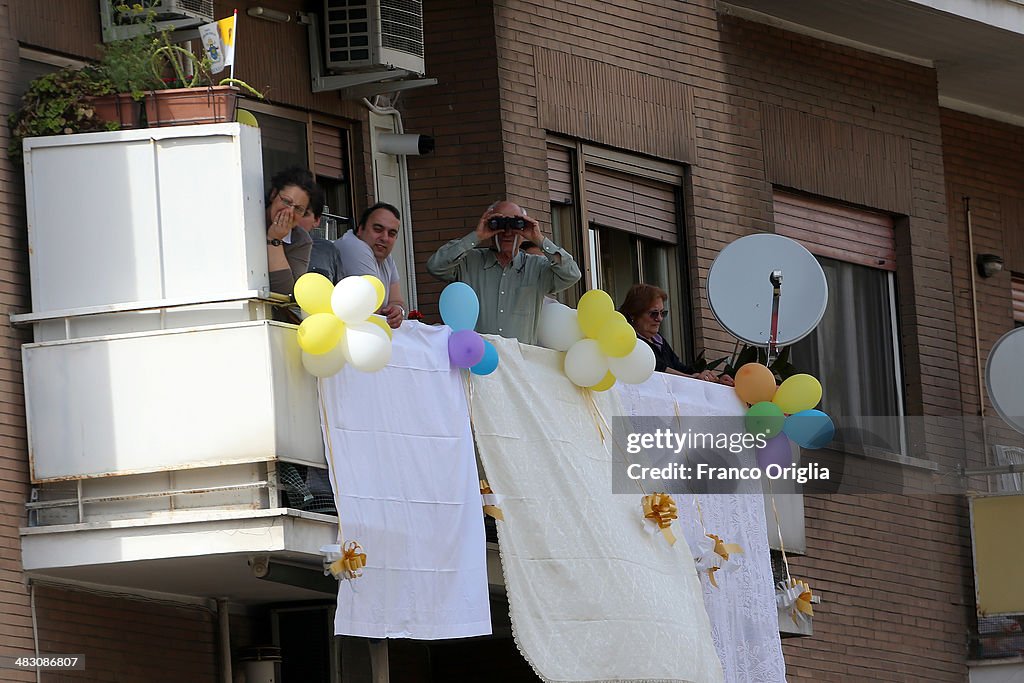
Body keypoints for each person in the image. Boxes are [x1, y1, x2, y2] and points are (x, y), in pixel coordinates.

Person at [426, 200, 581, 344]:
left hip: (518, 367)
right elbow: (435, 266)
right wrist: (477, 236)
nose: (507, 232)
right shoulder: (469, 262)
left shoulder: (537, 267)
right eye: (499, 225)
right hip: (476, 364)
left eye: (514, 226)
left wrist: (539, 239)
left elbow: (572, 274)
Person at [619, 283, 734, 385]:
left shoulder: (659, 341)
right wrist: (694, 379)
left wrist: (715, 380)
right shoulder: (631, 342)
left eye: (662, 313)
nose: (659, 319)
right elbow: (658, 368)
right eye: (653, 314)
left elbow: (680, 368)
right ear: (634, 315)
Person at [335, 202, 406, 329]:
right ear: (360, 230)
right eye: (378, 229)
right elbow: (372, 307)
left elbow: (397, 300)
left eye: (391, 233)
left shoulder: (386, 257)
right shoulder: (354, 246)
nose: (384, 238)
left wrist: (397, 310)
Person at [266, 167, 318, 296]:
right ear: (274, 194)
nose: (289, 212)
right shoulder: (248, 221)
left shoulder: (301, 239)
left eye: (298, 209)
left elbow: (286, 292)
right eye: (286, 201)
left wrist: (274, 240)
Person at [299, 186, 344, 284]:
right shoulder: (268, 245)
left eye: (303, 214)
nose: (294, 216)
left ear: (316, 220)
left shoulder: (327, 250)